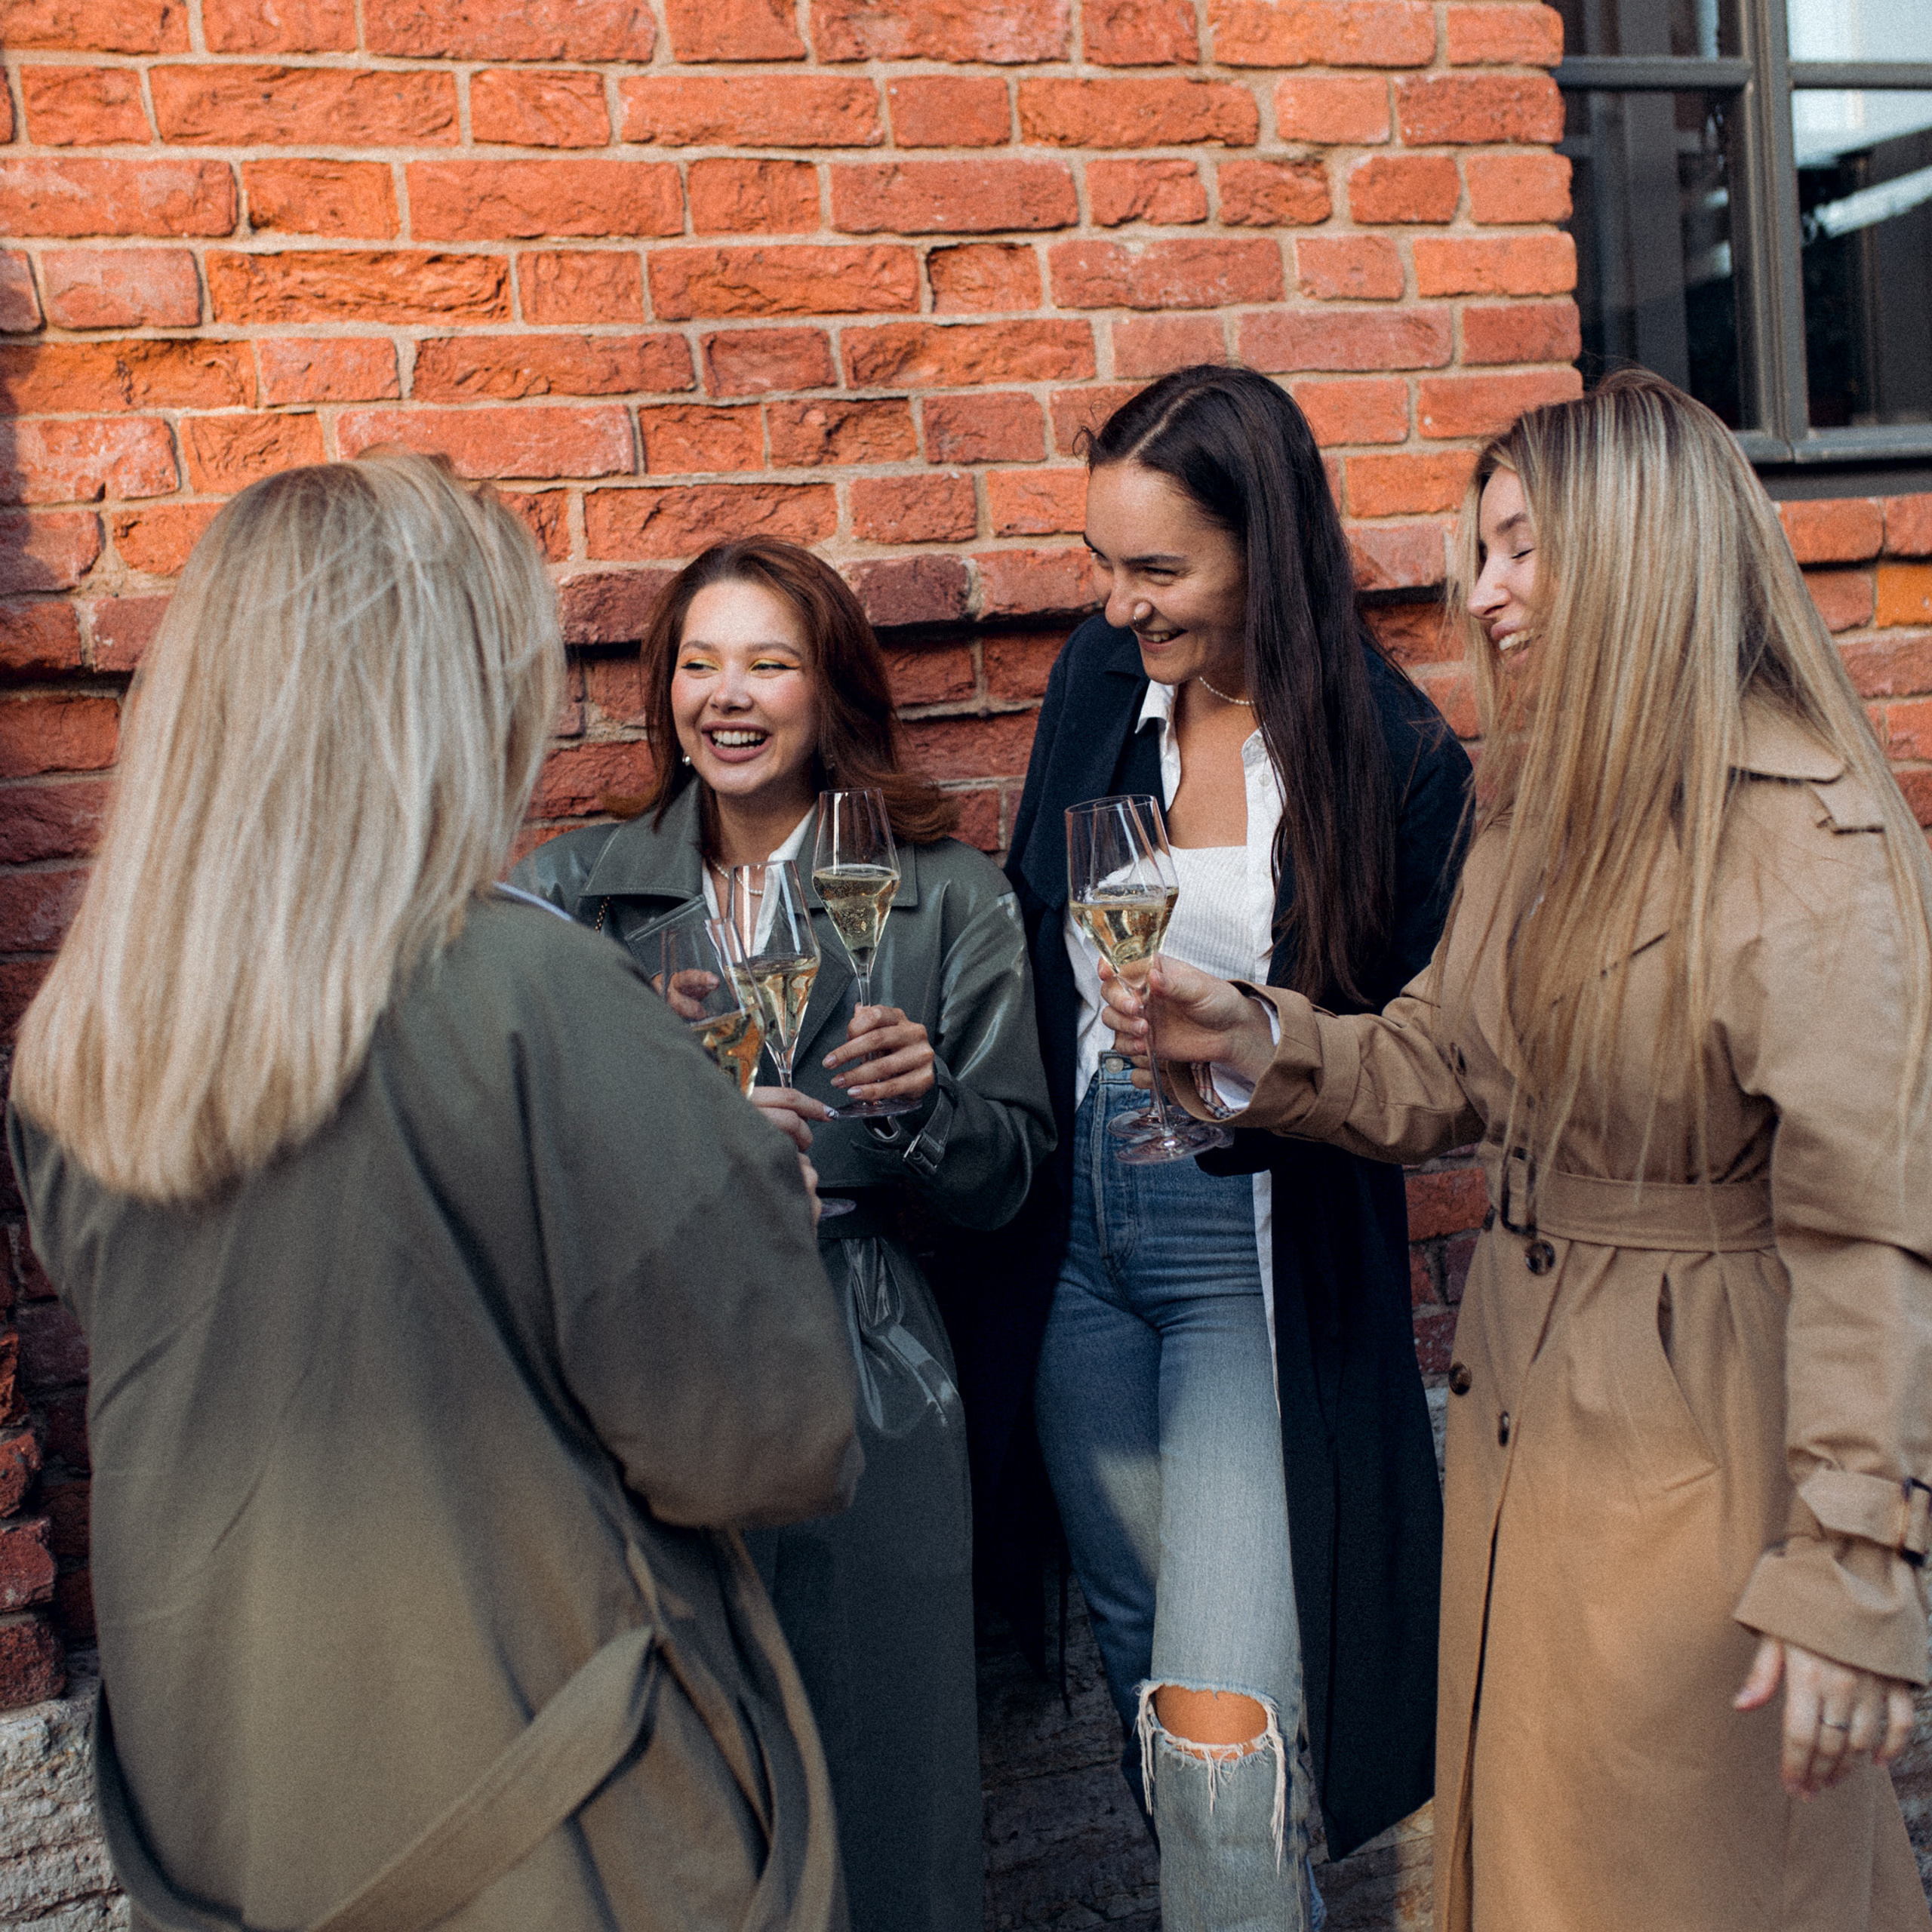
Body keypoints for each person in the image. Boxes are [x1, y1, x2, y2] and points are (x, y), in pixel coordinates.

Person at [1103, 370, 1932, 1932]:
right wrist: (1251, 1034)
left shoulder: (1802, 833)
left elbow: (1871, 1231)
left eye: (1519, 551)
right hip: (1531, 1426)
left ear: (1638, 551)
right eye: (1480, 553)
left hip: (1703, 1444)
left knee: (1687, 1882)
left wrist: (1850, 1560)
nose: (1480, 594)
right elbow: (1444, 1061)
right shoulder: (1540, 803)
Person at [7, 454, 862, 1932]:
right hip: (548, 1818)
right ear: (447, 696)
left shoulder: (91, 1042)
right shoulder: (532, 994)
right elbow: (764, 1441)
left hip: (235, 1828)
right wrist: (739, 1198)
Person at [512, 537, 1054, 1932]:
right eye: (699, 664)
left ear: (833, 688)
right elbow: (514, 1170)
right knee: (686, 1779)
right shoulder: (569, 898)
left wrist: (928, 1110)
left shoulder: (950, 894)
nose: (728, 696)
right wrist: (673, 1133)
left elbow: (1011, 1182)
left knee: (891, 1766)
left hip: (869, 1355)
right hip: (647, 1366)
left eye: (769, 662)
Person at [998, 364, 1472, 1930]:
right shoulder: (1095, 681)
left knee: (1224, 1738)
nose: (1116, 603)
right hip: (1082, 1244)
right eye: (1102, 563)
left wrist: (1251, 1031)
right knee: (1154, 1682)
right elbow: (1031, 915)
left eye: (1157, 568)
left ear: (1265, 548)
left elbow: (1428, 1063)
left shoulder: (1395, 757)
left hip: (1245, 1254)